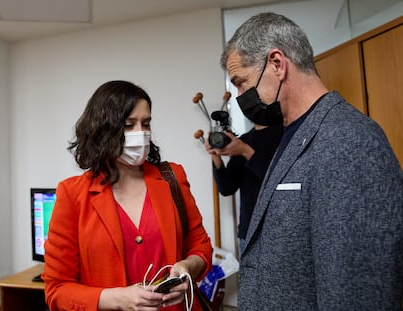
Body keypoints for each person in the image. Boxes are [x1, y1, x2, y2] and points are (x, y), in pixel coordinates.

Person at [220, 12, 403, 310]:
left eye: (241, 83)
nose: (241, 96)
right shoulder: (292, 133)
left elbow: (357, 292)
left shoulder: (349, 139)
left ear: (277, 64)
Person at [43, 80, 213, 311]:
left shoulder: (173, 177)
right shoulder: (72, 194)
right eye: (128, 125)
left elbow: (200, 245)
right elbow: (57, 289)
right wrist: (118, 299)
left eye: (146, 123)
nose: (140, 133)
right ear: (103, 129)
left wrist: (187, 267)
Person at [205, 123, 282, 252]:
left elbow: (278, 179)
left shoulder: (283, 133)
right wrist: (215, 156)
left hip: (278, 230)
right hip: (248, 231)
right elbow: (227, 188)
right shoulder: (245, 140)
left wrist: (246, 151)